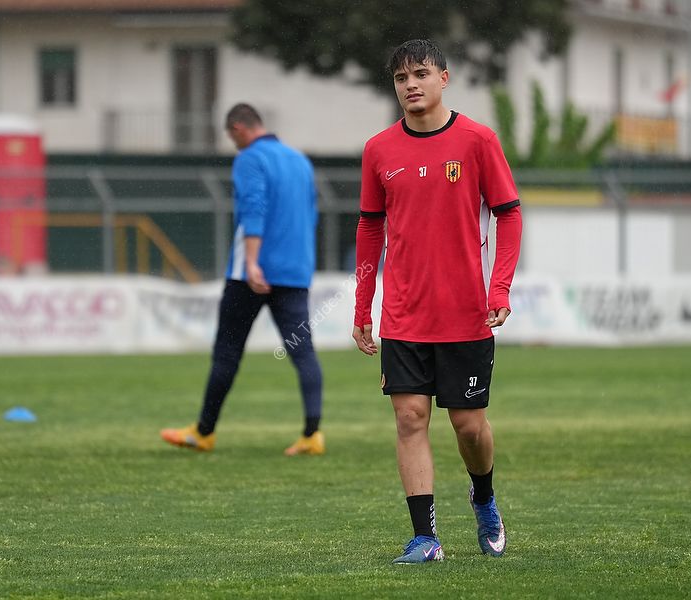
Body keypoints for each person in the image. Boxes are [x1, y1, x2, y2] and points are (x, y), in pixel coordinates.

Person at [352, 39, 522, 563]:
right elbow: (369, 228)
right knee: (409, 418)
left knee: (468, 426)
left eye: (421, 74)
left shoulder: (478, 140)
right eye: (401, 78)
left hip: (465, 313)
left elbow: (509, 214)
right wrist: (363, 305)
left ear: (444, 78)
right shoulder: (378, 149)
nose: (411, 85)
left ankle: (484, 498)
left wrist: (499, 287)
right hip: (404, 314)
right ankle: (425, 537)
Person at [161, 103, 325, 456]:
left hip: (251, 275)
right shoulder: (299, 160)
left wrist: (252, 262)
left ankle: (204, 432)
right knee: (303, 352)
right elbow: (310, 214)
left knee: (227, 353)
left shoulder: (249, 158)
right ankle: (312, 434)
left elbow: (254, 207)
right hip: (294, 272)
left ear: (237, 128)